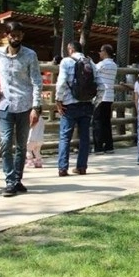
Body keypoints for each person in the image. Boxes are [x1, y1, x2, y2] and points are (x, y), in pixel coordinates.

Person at [0, 21, 43, 197]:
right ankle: (10, 180)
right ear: (6, 35)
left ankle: (17, 179)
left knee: (21, 145)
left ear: (22, 36)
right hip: (5, 105)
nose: (16, 38)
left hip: (24, 105)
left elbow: (37, 81)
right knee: (6, 142)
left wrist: (36, 107)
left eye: (19, 35)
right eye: (12, 35)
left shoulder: (30, 55)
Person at [55, 41, 98, 177]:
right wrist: (96, 101)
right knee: (85, 137)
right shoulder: (91, 63)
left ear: (70, 49)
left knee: (65, 137)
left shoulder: (66, 62)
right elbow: (100, 84)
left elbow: (61, 82)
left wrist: (58, 99)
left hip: (69, 104)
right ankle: (82, 167)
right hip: (87, 104)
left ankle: (63, 168)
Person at [93, 44, 118, 154]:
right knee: (106, 122)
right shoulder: (114, 65)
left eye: (101, 51)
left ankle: (98, 147)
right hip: (110, 96)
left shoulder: (102, 64)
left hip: (101, 96)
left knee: (97, 121)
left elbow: (93, 71)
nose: (99, 53)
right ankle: (109, 146)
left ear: (105, 52)